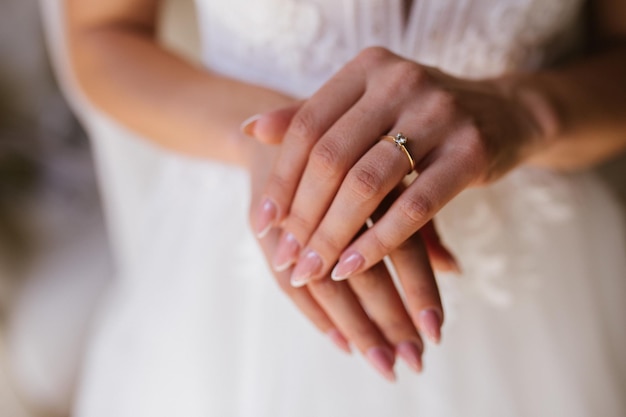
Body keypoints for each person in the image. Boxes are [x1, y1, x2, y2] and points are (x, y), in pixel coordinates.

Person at [61, 0, 626, 415]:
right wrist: (274, 144)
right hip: (245, 266)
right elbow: (101, 34)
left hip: (536, 272)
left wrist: (523, 114)